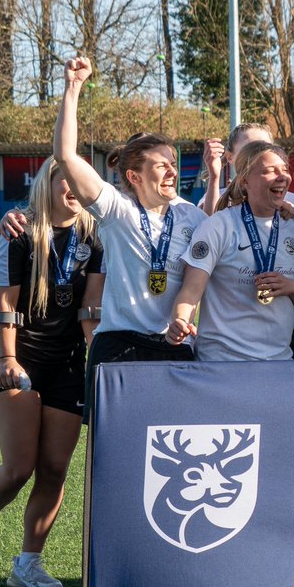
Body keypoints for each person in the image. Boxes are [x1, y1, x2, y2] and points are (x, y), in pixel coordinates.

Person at [0, 157, 103, 587]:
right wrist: (7, 361)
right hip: (22, 359)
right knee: (18, 468)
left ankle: (28, 563)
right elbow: (4, 304)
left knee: (53, 470)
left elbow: (90, 308)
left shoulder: (93, 237)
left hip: (67, 363)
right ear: (47, 183)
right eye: (65, 180)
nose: (74, 189)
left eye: (79, 182)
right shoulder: (18, 232)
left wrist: (94, 356)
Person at [52, 57, 206, 407]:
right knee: (109, 456)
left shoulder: (192, 217)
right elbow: (65, 155)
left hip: (174, 346)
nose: (172, 170)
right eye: (161, 164)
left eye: (173, 163)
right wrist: (73, 88)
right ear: (135, 177)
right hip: (120, 347)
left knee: (171, 452)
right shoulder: (116, 209)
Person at [166, 140, 294, 359]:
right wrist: (181, 321)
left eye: (284, 170)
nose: (282, 176)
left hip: (279, 360)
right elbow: (191, 291)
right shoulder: (218, 225)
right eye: (269, 171)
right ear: (245, 180)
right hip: (222, 360)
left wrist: (292, 287)